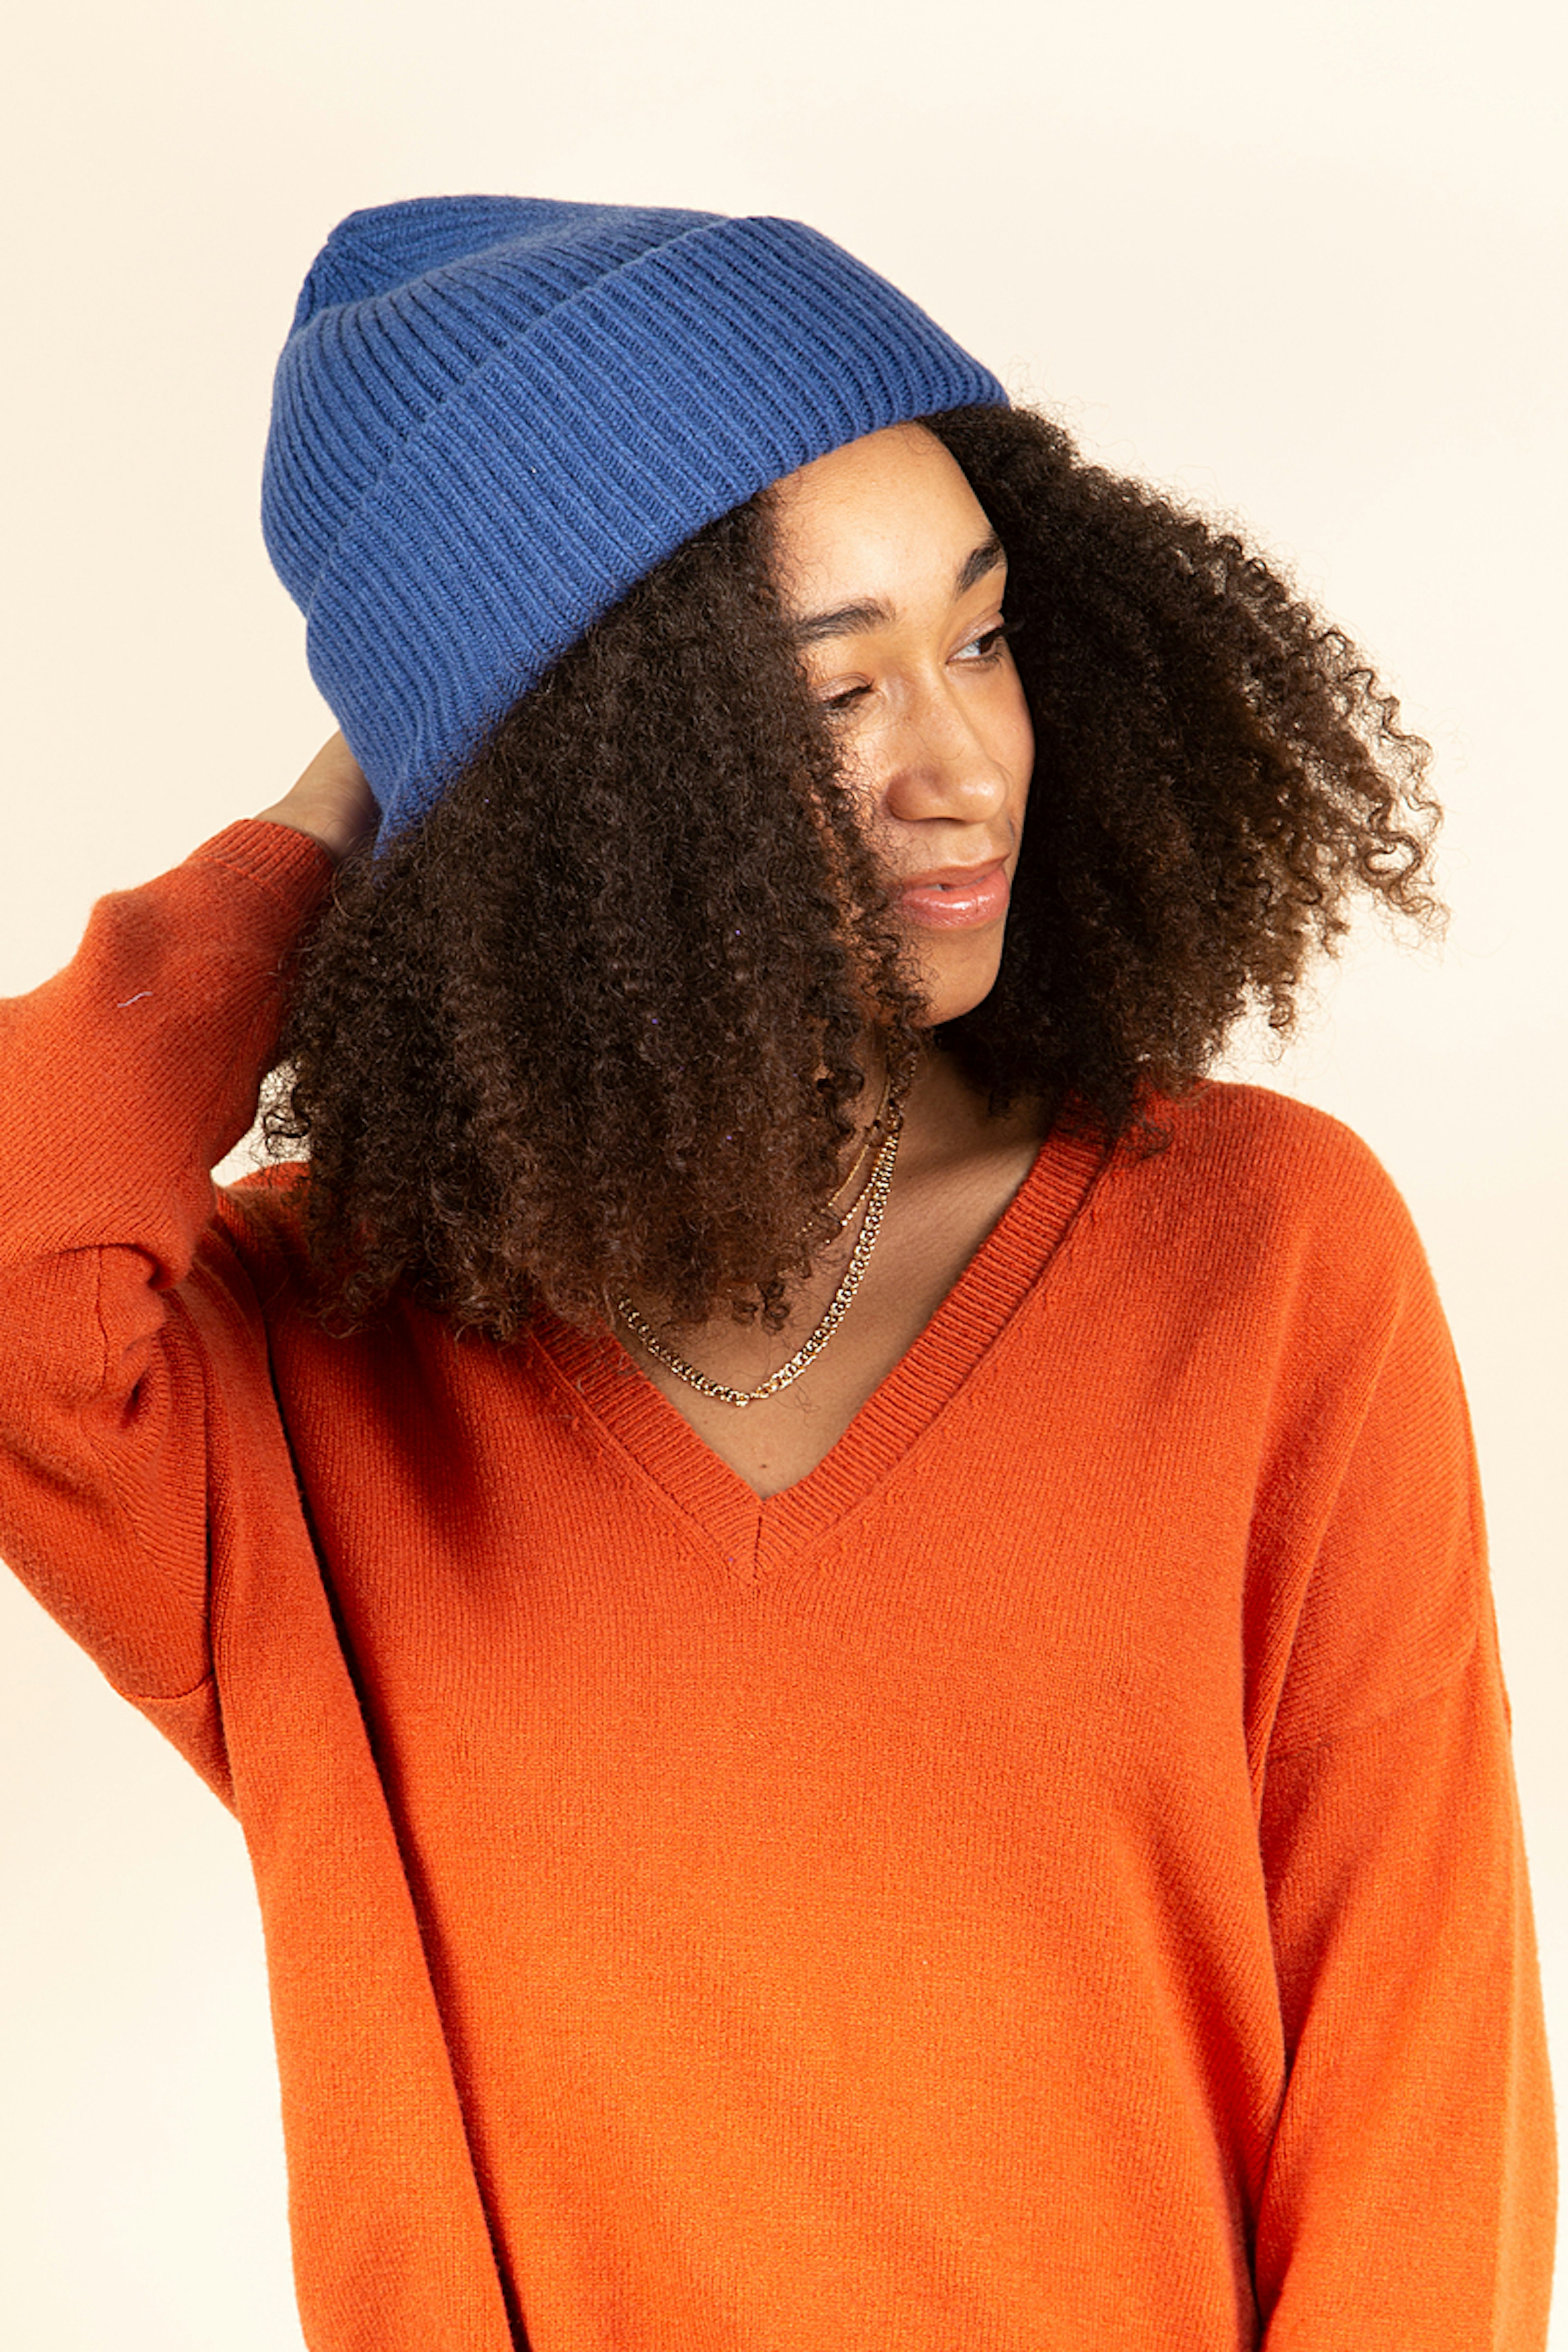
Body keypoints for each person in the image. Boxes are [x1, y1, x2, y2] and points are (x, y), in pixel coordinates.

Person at [0, 193, 1554, 2351]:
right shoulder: (315, 1362)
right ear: (599, 774)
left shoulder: (1268, 1255)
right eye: (836, 687)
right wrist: (400, 747)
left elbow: (1426, 2116)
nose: (968, 763)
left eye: (985, 637)